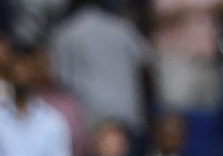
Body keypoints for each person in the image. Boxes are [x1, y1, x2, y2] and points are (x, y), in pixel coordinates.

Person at [50, 0, 153, 137]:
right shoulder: (122, 27)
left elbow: (60, 79)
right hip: (125, 111)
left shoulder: (65, 33)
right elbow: (148, 62)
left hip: (89, 118)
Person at [151, 0, 223, 113]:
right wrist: (190, 10)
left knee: (209, 113)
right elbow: (157, 18)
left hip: (207, 60)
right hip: (176, 59)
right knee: (176, 112)